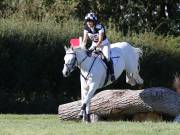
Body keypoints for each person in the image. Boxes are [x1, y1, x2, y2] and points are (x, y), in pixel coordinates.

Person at [82, 12, 115, 81]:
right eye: (87, 21)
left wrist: (94, 48)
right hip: (94, 44)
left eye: (90, 21)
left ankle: (112, 74)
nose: (88, 23)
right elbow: (85, 40)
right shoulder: (86, 28)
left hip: (104, 44)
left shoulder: (99, 27)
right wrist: (83, 47)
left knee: (107, 57)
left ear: (94, 21)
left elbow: (100, 40)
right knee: (86, 55)